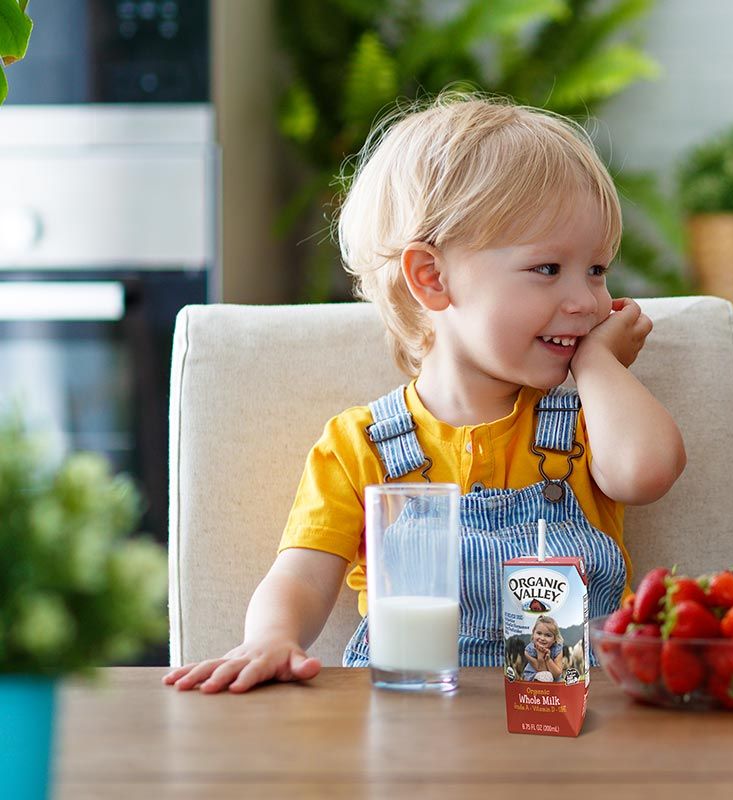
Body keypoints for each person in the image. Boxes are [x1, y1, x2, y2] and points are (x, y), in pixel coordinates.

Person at [165, 93, 686, 693]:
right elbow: (302, 576)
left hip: (557, 728)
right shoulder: (359, 445)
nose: (587, 300)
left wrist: (596, 363)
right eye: (549, 269)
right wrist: (271, 638)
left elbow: (648, 471)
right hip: (412, 726)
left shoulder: (590, 421)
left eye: (596, 270)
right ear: (432, 278)